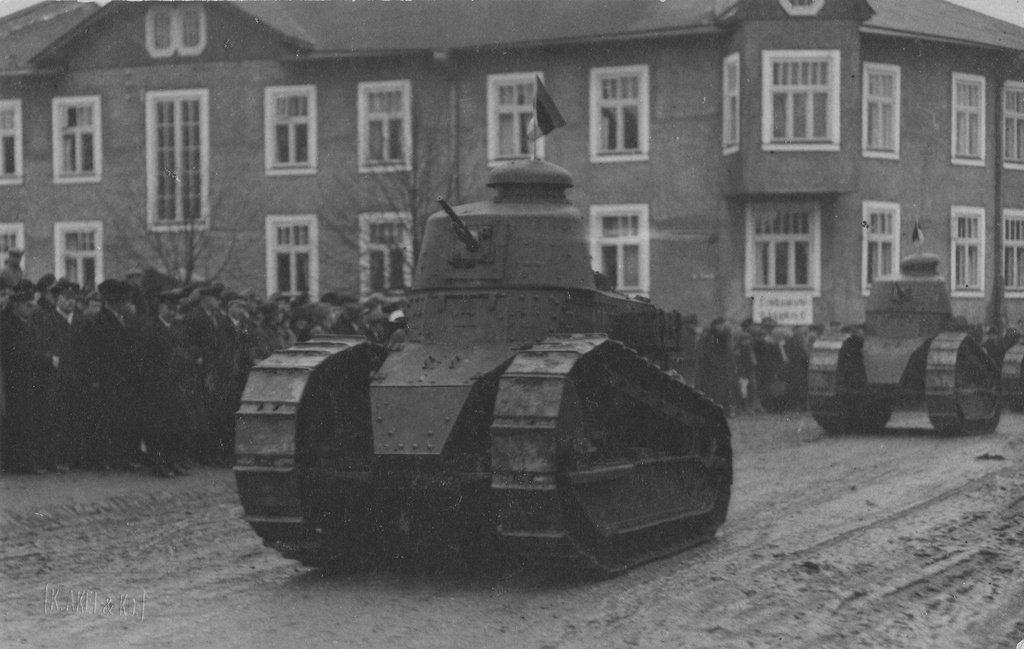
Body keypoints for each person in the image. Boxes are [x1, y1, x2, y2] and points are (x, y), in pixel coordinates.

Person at [83, 279, 143, 471]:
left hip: (122, 377)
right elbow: (104, 351)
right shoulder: (102, 320)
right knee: (108, 419)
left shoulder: (122, 319)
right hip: (109, 378)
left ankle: (120, 457)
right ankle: (106, 458)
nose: (129, 305)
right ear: (115, 302)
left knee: (122, 417)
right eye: (125, 301)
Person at [34, 279, 86, 472]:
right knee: (56, 419)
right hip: (55, 378)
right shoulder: (48, 320)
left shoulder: (80, 320)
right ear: (57, 299)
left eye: (73, 298)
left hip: (76, 377)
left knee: (75, 417)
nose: (69, 302)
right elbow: (41, 346)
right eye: (65, 298)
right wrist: (50, 358)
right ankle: (54, 459)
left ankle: (72, 458)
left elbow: (86, 350)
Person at [138, 289, 191, 477]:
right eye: (169, 308)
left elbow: (185, 353)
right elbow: (145, 359)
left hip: (177, 385)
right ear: (160, 307)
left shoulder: (179, 328)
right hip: (157, 386)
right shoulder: (150, 328)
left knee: (175, 426)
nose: (172, 312)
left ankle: (173, 461)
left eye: (175, 308)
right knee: (158, 427)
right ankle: (159, 463)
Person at [1, 284, 45, 473]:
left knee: (29, 419)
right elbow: (14, 355)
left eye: (31, 304)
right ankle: (18, 462)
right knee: (18, 420)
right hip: (16, 380)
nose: (31, 308)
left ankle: (26, 461)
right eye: (27, 305)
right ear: (17, 305)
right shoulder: (9, 326)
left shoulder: (29, 324)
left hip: (29, 378)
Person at [696, 317, 735, 415]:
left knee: (722, 388)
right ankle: (721, 410)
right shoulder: (712, 334)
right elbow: (727, 349)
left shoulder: (720, 333)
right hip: (715, 365)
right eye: (722, 325)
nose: (724, 327)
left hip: (718, 364)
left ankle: (724, 409)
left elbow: (728, 349)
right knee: (717, 388)